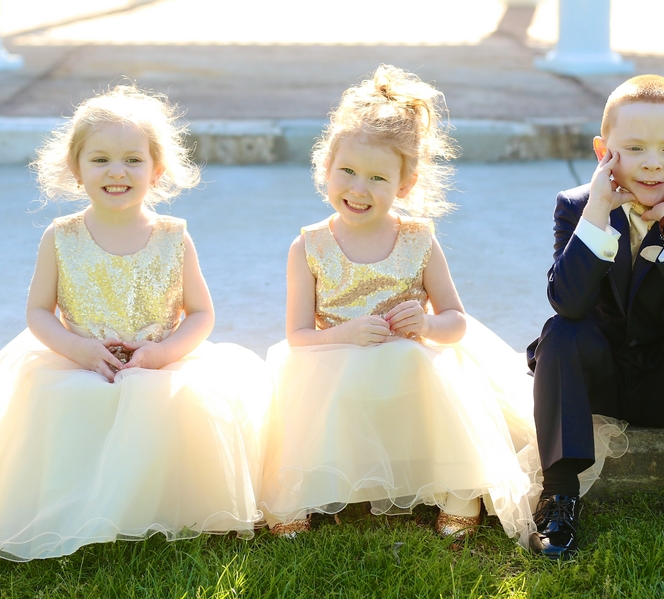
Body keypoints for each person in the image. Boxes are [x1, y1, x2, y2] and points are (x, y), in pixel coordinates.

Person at [0, 85, 271, 561]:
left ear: (157, 170)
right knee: (67, 401)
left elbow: (202, 313)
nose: (117, 171)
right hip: (80, 359)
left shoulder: (174, 238)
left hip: (159, 361)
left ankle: (161, 504)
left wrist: (163, 353)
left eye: (133, 160)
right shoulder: (61, 237)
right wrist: (78, 350)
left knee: (185, 403)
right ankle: (73, 504)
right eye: (100, 159)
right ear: (76, 170)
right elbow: (38, 311)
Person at [259, 65, 623, 547]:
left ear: (405, 185)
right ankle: (305, 489)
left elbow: (456, 321)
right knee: (319, 385)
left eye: (377, 177)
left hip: (408, 367)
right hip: (335, 363)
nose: (358, 188)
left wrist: (427, 324)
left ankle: (458, 488)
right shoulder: (309, 247)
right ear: (326, 168)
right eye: (346, 171)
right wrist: (345, 334)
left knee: (423, 365)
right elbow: (298, 336)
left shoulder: (418, 241)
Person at [527, 74, 664, 558]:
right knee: (561, 332)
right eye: (635, 147)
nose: (651, 162)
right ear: (604, 151)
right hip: (598, 385)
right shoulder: (577, 207)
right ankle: (559, 493)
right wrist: (598, 211)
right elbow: (568, 300)